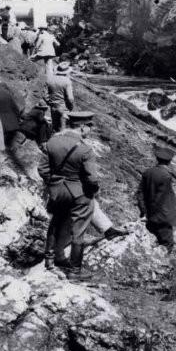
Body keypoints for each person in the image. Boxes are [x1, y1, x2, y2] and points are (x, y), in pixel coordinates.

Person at [38, 111, 127, 278]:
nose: (91, 130)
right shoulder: (85, 149)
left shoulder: (52, 142)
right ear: (82, 127)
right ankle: (74, 272)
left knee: (55, 224)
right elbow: (92, 179)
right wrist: (91, 192)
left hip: (57, 191)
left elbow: (42, 169)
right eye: (90, 126)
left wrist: (55, 182)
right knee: (78, 231)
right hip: (78, 193)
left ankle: (49, 261)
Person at [137, 145, 176, 252]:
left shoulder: (148, 172)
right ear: (169, 161)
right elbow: (169, 197)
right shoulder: (167, 176)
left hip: (150, 216)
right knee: (167, 245)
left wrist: (143, 211)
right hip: (163, 218)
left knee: (150, 244)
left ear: (157, 159)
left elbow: (140, 193)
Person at [45, 61, 74, 132]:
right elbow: (70, 98)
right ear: (67, 72)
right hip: (64, 107)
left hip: (53, 107)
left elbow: (45, 95)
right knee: (63, 129)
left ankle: (52, 140)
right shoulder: (67, 81)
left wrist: (50, 102)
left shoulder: (50, 80)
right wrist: (71, 107)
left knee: (55, 127)